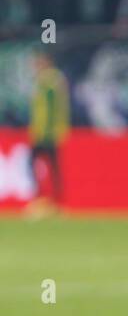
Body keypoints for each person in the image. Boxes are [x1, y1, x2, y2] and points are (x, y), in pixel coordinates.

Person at [26, 50, 70, 217]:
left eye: (38, 63)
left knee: (40, 166)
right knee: (52, 167)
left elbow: (53, 109)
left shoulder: (49, 80)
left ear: (46, 62)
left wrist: (49, 129)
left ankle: (46, 202)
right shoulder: (49, 80)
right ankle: (55, 203)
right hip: (44, 131)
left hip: (46, 132)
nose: (35, 66)